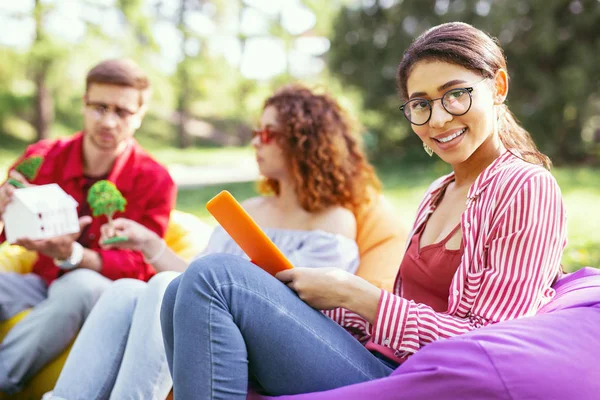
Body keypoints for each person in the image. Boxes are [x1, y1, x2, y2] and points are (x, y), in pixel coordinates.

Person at [159, 21, 567, 399]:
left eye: (456, 94)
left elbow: (489, 346)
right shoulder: (439, 192)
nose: (438, 118)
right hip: (380, 362)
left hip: (426, 384)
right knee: (180, 291)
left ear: (497, 86)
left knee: (216, 277)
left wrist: (359, 295)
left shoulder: (527, 188)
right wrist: (312, 297)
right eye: (420, 104)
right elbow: (403, 317)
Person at [47, 84, 382, 400]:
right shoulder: (247, 210)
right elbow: (197, 279)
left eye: (268, 134)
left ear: (303, 141)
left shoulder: (333, 219)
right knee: (125, 290)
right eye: (255, 133)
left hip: (278, 336)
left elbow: (311, 309)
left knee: (163, 283)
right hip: (211, 314)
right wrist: (148, 243)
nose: (256, 142)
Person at [0, 58, 176, 395]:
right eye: (99, 107)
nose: (108, 122)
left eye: (122, 112)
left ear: (139, 116)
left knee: (80, 284)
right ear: (84, 104)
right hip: (42, 282)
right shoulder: (44, 156)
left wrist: (74, 254)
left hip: (109, 296)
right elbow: (7, 227)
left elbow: (137, 268)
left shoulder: (154, 179)